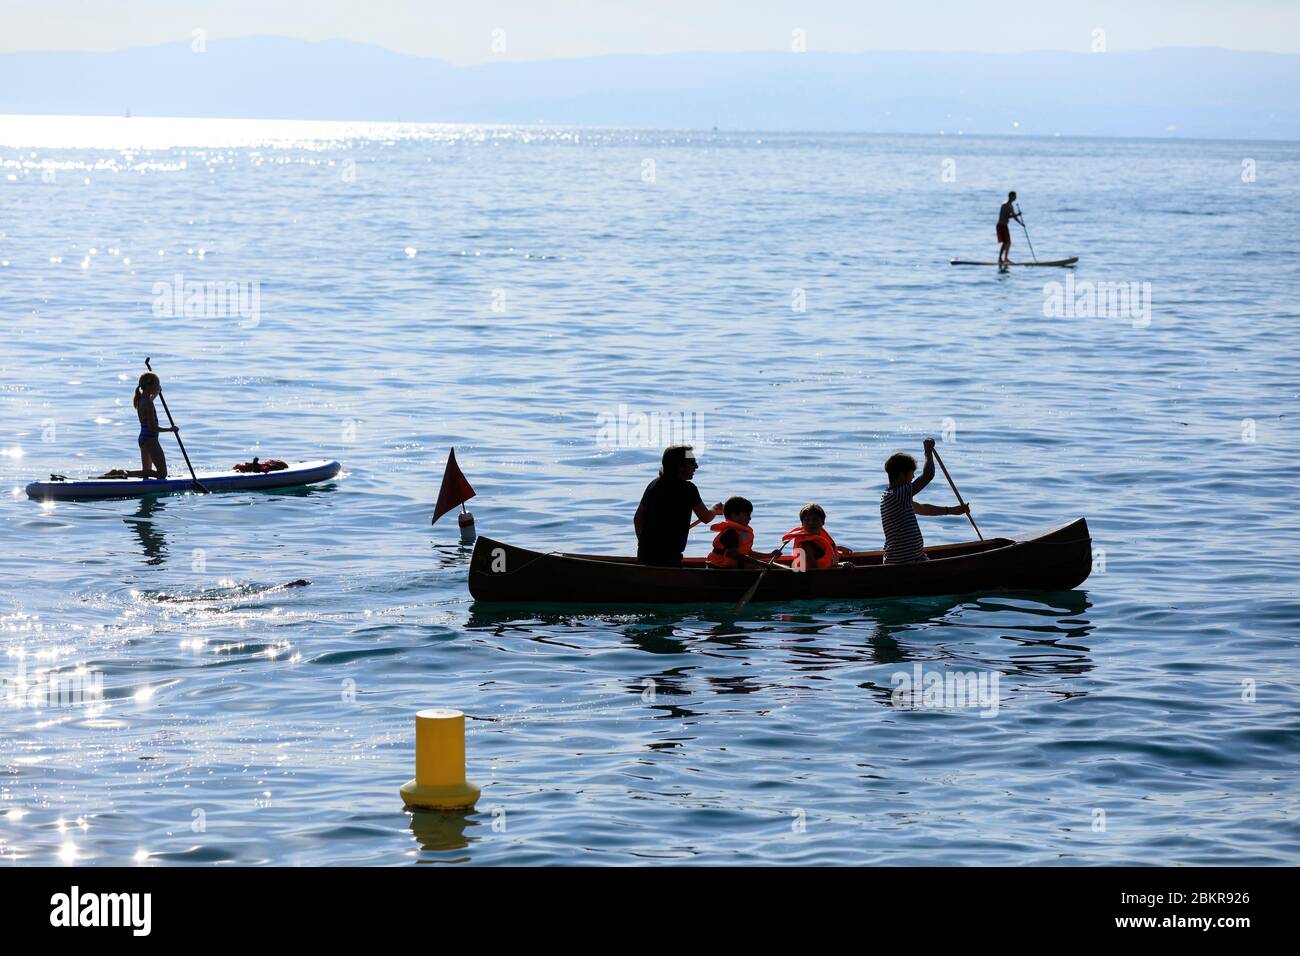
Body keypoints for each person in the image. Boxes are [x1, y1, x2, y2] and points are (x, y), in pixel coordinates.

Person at [880, 438, 970, 564]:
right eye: (912, 473)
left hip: (904, 559)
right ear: (901, 475)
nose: (913, 477)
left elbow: (922, 508)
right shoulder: (897, 495)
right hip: (906, 561)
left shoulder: (893, 497)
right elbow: (928, 475)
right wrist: (928, 451)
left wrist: (952, 510)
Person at [634, 445, 722, 567]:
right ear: (680, 467)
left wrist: (643, 543)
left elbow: (637, 518)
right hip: (669, 558)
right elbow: (706, 518)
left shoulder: (654, 485)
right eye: (692, 463)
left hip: (645, 554)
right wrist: (714, 509)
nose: (696, 467)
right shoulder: (688, 489)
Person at [704, 495, 781, 569]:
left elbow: (749, 553)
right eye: (747, 515)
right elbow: (736, 555)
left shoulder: (739, 531)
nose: (750, 518)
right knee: (757, 565)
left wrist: (769, 555)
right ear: (734, 515)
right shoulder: (731, 533)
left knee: (761, 565)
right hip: (720, 567)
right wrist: (758, 562)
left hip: (730, 565)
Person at [782, 503, 852, 570]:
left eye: (815, 520)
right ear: (802, 523)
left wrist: (836, 548)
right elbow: (815, 571)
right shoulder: (805, 546)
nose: (811, 523)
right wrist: (840, 565)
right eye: (807, 520)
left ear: (823, 522)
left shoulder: (817, 536)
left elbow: (821, 551)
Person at [132, 372, 176, 479]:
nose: (158, 387)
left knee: (146, 473)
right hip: (150, 439)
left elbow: (149, 400)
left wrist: (156, 392)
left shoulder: (141, 400)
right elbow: (152, 427)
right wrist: (170, 429)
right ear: (150, 386)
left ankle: (123, 473)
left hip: (143, 439)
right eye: (157, 385)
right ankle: (126, 474)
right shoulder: (148, 403)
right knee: (162, 474)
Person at [997, 191, 1023, 266]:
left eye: (1015, 196)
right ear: (1010, 196)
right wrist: (1018, 214)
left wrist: (1021, 224)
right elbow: (1007, 216)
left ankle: (1005, 258)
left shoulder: (1011, 206)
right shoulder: (1005, 205)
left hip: (1005, 225)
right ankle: (1000, 259)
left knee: (1008, 242)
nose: (1015, 198)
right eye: (1014, 196)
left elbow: (1014, 216)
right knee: (1005, 242)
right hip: (1001, 225)